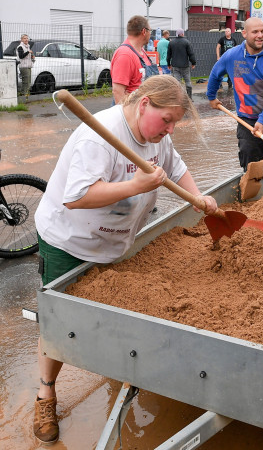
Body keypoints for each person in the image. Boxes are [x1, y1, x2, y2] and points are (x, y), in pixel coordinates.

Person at [30, 75, 217, 444]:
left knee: (110, 313)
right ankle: (45, 394)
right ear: (144, 103)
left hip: (113, 244)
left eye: (176, 122)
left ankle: (116, 367)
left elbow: (175, 168)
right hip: (69, 240)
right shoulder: (98, 135)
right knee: (58, 321)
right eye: (167, 120)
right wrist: (136, 186)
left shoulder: (156, 137)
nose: (171, 129)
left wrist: (199, 198)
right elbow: (77, 196)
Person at [206, 18, 263, 173]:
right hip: (247, 121)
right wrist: (211, 96)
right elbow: (215, 74)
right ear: (244, 34)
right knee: (251, 172)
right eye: (255, 32)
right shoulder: (232, 56)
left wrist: (262, 119)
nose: (260, 35)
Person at [110, 15, 156, 104]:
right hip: (132, 112)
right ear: (144, 31)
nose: (151, 34)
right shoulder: (125, 55)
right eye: (150, 30)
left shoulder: (141, 51)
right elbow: (118, 92)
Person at [167, 28, 197, 100]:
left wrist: (168, 64)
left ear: (176, 34)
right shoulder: (186, 42)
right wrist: (193, 63)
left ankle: (178, 98)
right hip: (185, 66)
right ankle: (189, 97)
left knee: (177, 82)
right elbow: (191, 54)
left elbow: (169, 55)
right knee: (188, 81)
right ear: (183, 34)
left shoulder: (171, 43)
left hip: (175, 66)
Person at [16, 34, 35, 100]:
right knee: (25, 81)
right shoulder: (20, 47)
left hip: (29, 66)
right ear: (21, 39)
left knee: (28, 81)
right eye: (24, 38)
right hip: (23, 66)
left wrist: (32, 57)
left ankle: (26, 94)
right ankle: (24, 94)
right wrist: (28, 52)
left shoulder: (28, 47)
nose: (26, 40)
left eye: (27, 38)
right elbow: (21, 56)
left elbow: (28, 57)